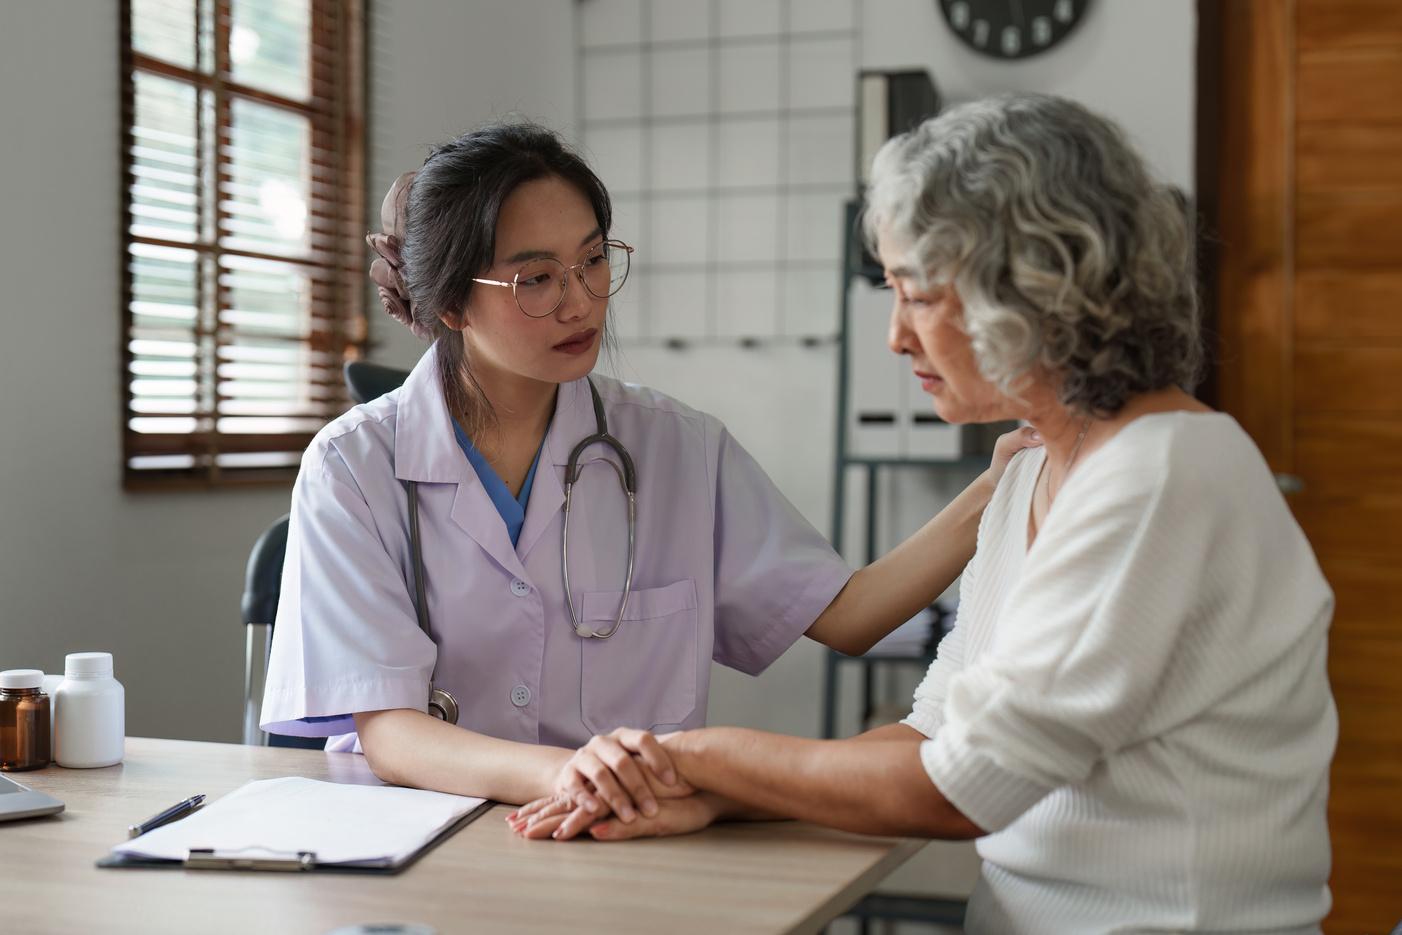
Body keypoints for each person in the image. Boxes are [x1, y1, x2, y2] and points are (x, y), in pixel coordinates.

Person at [512, 95, 1338, 935]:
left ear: (1033, 287)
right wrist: (714, 796)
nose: (896, 338)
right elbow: (934, 731)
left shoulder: (1162, 474)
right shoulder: (1030, 474)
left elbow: (957, 785)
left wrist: (694, 755)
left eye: (917, 295)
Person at [259, 123, 1034, 818]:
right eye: (537, 278)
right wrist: (580, 772)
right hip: (421, 844)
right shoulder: (353, 467)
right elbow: (391, 733)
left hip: (620, 842)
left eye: (593, 260)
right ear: (452, 303)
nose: (581, 301)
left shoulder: (677, 448)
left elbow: (849, 613)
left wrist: (998, 483)